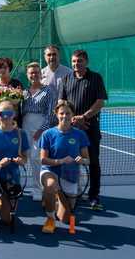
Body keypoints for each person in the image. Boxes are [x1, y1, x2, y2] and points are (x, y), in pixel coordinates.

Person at [58, 49, 107, 211]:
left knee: (92, 162)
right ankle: (73, 193)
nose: (76, 64)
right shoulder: (66, 78)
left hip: (90, 129)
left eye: (79, 61)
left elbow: (100, 102)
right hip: (70, 129)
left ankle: (94, 196)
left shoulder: (96, 78)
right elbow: (61, 102)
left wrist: (84, 117)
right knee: (71, 161)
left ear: (86, 62)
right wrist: (72, 119)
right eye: (73, 61)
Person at [39, 101, 90, 234]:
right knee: (50, 185)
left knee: (65, 219)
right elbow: (43, 159)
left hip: (70, 174)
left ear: (73, 115)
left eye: (68, 113)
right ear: (56, 114)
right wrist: (60, 161)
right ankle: (50, 218)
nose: (65, 116)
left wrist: (82, 160)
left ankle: (58, 197)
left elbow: (87, 160)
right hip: (50, 171)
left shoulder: (80, 135)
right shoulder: (47, 134)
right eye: (62, 113)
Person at [0, 100, 29, 233]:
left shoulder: (21, 134)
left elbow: (25, 159)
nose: (6, 117)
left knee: (6, 220)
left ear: (14, 114)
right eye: (3, 114)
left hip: (12, 177)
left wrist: (21, 160)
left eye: (9, 113)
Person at [22, 62, 56, 201]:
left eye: (36, 72)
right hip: (24, 126)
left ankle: (39, 189)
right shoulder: (24, 92)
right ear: (27, 75)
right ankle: (19, 187)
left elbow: (50, 113)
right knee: (25, 156)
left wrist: (42, 130)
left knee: (37, 159)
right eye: (31, 73)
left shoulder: (48, 91)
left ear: (41, 74)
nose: (34, 75)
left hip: (39, 127)